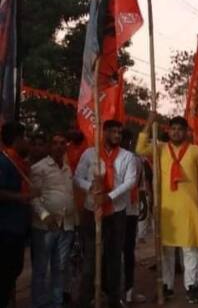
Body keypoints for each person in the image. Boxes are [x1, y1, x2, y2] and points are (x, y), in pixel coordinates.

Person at [136, 115, 198, 304]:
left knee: (190, 250)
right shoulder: (161, 148)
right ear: (168, 131)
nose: (176, 132)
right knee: (166, 252)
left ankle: (191, 287)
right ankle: (167, 287)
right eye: (173, 129)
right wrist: (148, 122)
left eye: (180, 129)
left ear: (186, 132)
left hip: (189, 209)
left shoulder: (195, 150)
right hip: (166, 210)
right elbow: (139, 149)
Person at [74, 120, 138, 308]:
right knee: (91, 259)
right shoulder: (90, 154)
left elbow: (130, 181)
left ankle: (114, 300)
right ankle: (85, 299)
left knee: (113, 257)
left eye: (119, 132)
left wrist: (109, 197)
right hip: (91, 211)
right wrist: (91, 187)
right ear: (103, 133)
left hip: (116, 212)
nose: (117, 135)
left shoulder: (127, 157)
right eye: (113, 132)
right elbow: (77, 177)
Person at [30, 131, 76, 308]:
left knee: (60, 268)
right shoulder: (39, 168)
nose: (59, 146)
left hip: (65, 225)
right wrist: (44, 215)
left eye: (62, 143)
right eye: (55, 143)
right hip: (44, 227)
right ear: (50, 146)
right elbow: (33, 197)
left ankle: (56, 304)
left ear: (66, 146)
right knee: (41, 269)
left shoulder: (67, 167)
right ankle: (38, 304)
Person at [0, 121, 33, 308]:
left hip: (17, 229)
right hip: (5, 230)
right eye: (25, 138)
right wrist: (23, 197)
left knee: (12, 272)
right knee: (5, 275)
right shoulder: (4, 162)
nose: (27, 142)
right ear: (17, 139)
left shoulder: (18, 162)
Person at [121, 128, 146, 304]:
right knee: (112, 254)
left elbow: (141, 185)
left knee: (129, 252)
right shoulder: (108, 158)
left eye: (128, 140)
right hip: (114, 211)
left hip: (131, 211)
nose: (125, 143)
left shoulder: (137, 160)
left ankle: (129, 291)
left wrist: (143, 205)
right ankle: (112, 292)